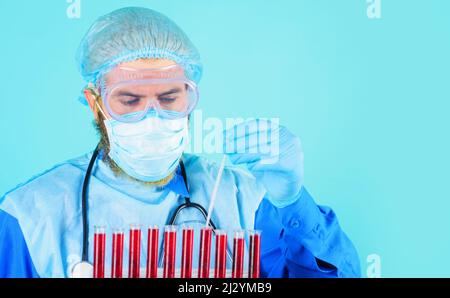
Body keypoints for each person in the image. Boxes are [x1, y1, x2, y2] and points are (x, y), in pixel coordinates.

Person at [0, 7, 360, 278]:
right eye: (129, 101)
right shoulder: (31, 215)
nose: (152, 117)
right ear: (96, 104)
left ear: (190, 100)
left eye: (170, 98)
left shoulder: (242, 199)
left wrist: (294, 203)